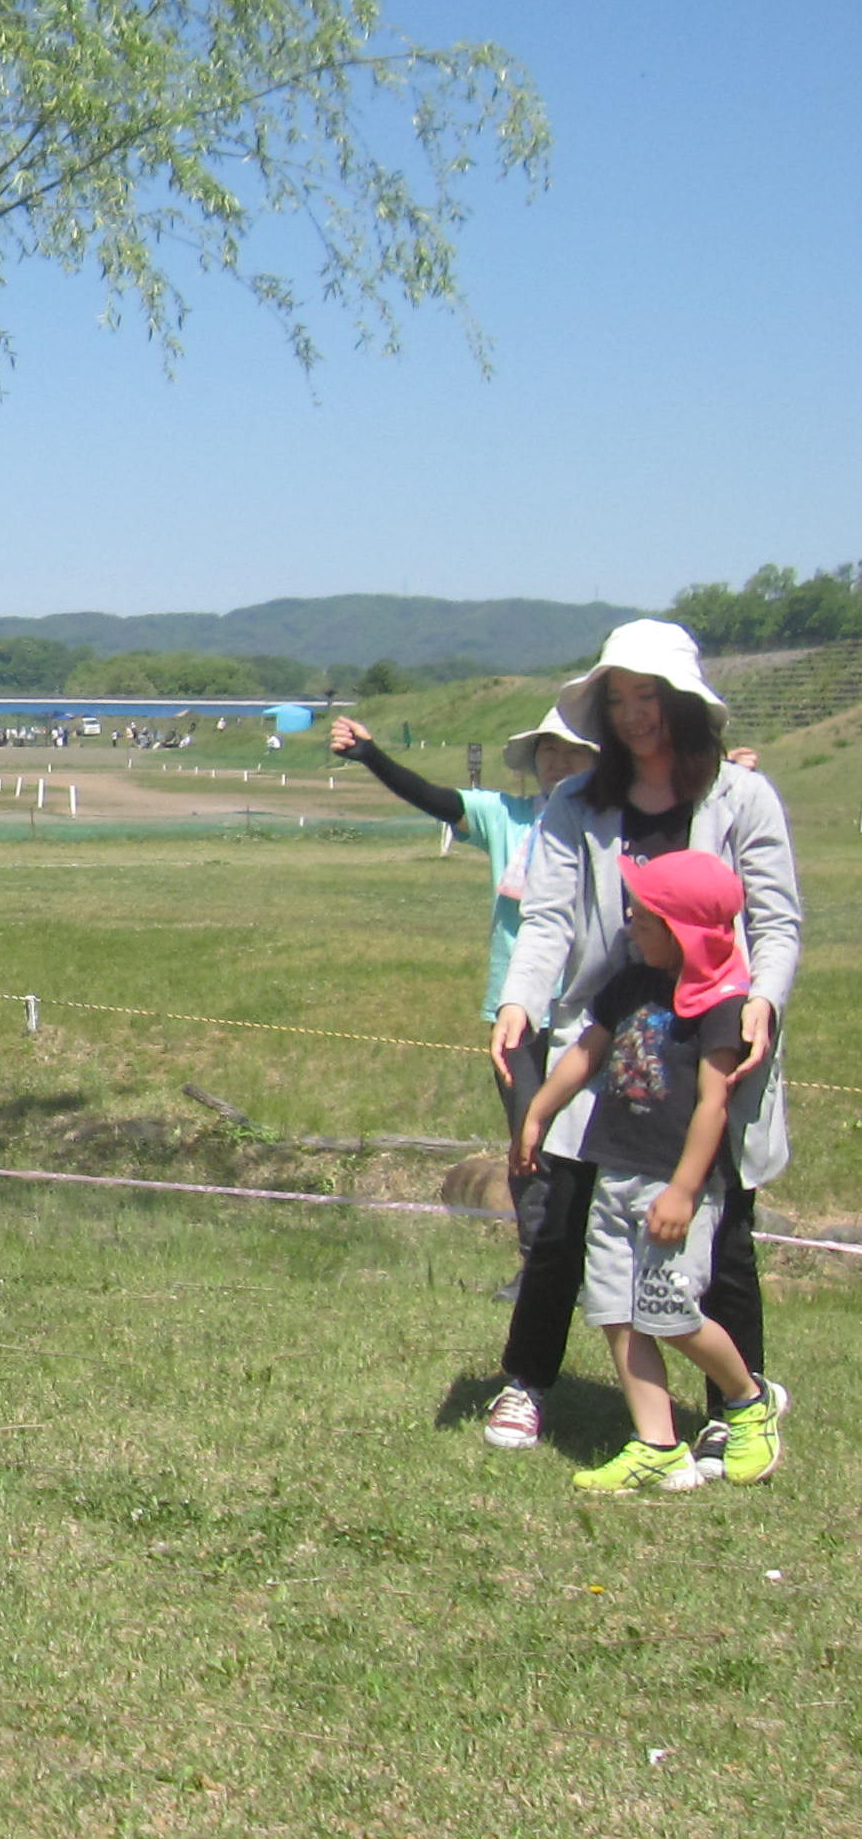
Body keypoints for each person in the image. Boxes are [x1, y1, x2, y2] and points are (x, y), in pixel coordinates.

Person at [481, 620, 798, 1465]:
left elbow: (778, 921)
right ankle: (527, 1380)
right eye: (618, 700)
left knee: (719, 1230)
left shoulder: (742, 797)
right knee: (560, 1224)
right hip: (603, 1034)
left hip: (712, 1045)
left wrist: (764, 998)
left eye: (648, 697)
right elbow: (545, 920)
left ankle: (737, 1400)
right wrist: (520, 1002)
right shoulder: (575, 803)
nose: (633, 715)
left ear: (686, 703)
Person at [513, 849, 783, 1490]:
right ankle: (656, 1444)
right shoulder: (629, 982)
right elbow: (587, 1053)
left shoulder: (722, 1006)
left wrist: (686, 1190)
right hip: (616, 1174)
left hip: (674, 1186)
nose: (630, 924)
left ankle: (749, 1400)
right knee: (614, 1309)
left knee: (671, 1312)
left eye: (644, 917)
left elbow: (714, 1104)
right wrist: (537, 1114)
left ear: (685, 930)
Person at [330, 707, 599, 1282]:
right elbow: (435, 798)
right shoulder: (509, 817)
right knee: (529, 1136)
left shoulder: (615, 824)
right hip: (517, 1011)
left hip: (594, 1010)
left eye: (573, 750)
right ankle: (541, 1264)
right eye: (549, 750)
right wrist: (372, 756)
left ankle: (601, 1258)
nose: (558, 761)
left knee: (595, 1139)